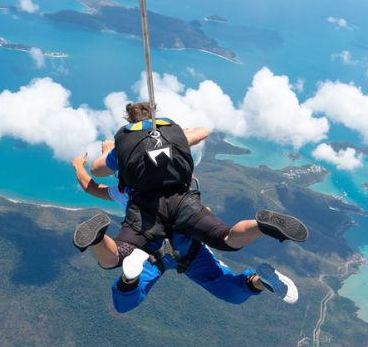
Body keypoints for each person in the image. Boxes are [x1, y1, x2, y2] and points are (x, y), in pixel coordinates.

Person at [73, 101, 308, 283]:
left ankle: (98, 239)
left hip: (145, 209)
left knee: (115, 257)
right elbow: (204, 132)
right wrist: (182, 134)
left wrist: (101, 156)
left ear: (129, 120)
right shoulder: (174, 133)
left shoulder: (124, 145)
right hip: (182, 199)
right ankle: (262, 226)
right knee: (225, 238)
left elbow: (96, 171)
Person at [71, 150, 298, 312]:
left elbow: (89, 186)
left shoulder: (125, 191)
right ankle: (261, 235)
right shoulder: (174, 179)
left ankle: (114, 259)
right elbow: (198, 136)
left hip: (151, 249)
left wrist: (78, 165)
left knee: (123, 300)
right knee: (230, 275)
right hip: (188, 246)